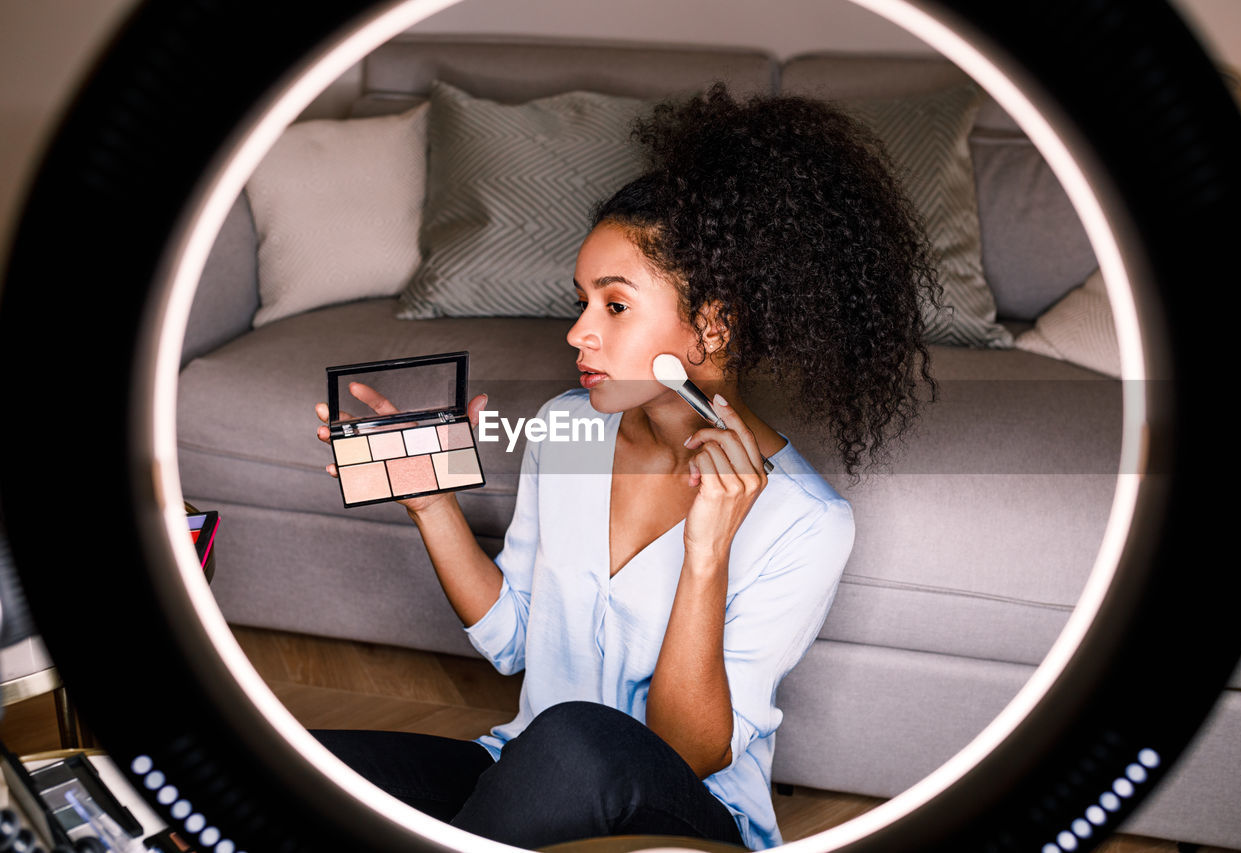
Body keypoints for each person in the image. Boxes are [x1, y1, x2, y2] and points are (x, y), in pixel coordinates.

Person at [311, 82, 938, 850]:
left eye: (613, 305)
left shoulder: (806, 521)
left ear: (710, 326)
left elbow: (686, 750)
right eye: (582, 301)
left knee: (580, 739)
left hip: (685, 817)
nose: (578, 333)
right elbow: (512, 639)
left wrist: (706, 552)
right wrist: (432, 504)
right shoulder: (566, 430)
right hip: (521, 773)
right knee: (318, 770)